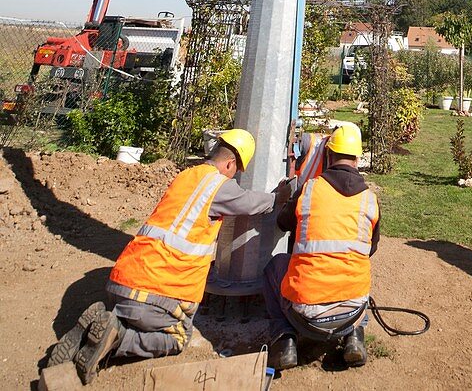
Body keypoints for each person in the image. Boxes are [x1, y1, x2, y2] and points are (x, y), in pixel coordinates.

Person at [49, 129, 291, 384]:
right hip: (157, 291)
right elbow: (247, 203)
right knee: (177, 338)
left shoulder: (187, 176)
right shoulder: (216, 184)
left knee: (138, 313)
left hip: (123, 280)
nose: (234, 177)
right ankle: (119, 336)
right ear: (230, 164)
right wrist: (278, 198)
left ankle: (106, 322)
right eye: (236, 171)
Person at [263, 122, 380, 371]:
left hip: (305, 316)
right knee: (357, 269)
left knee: (275, 266)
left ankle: (284, 339)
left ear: (328, 155)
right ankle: (354, 337)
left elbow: (283, 224)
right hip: (352, 313)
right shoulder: (370, 200)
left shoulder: (310, 189)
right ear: (357, 159)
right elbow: (370, 249)